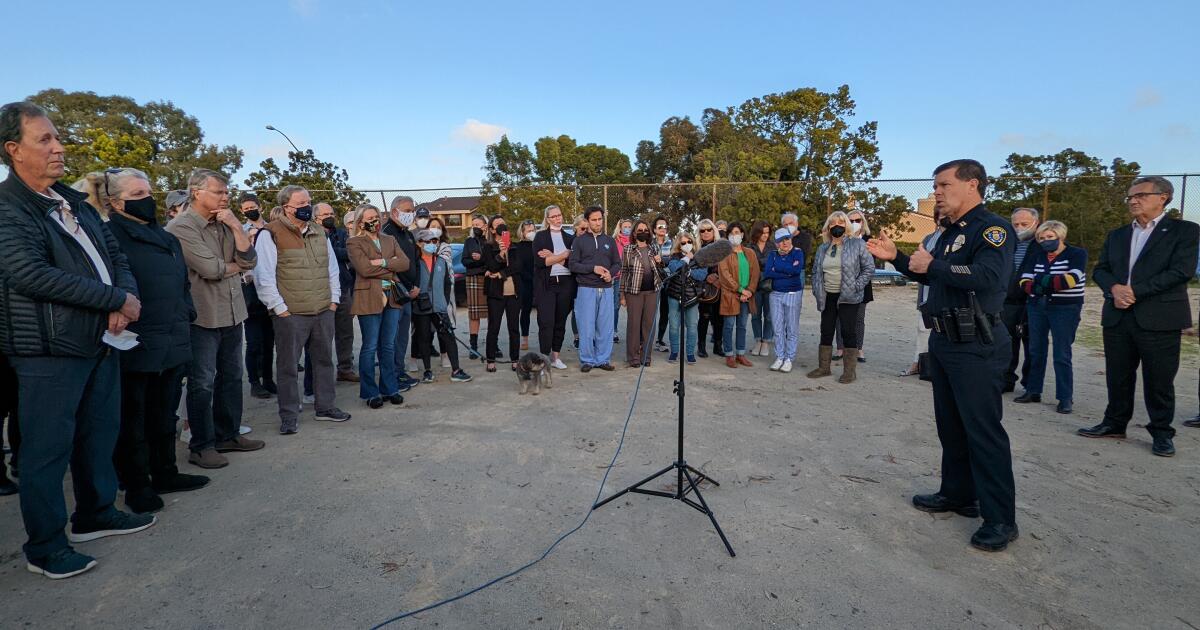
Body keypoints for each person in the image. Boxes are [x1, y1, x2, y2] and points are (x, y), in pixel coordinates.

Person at [0, 101, 154, 578]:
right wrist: (111, 298)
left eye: (56, 137)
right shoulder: (8, 207)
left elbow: (114, 255)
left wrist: (123, 294)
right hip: (47, 351)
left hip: (99, 342)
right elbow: (29, 273)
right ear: (13, 150)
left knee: (98, 433)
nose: (58, 147)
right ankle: (45, 546)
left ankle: (95, 513)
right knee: (46, 451)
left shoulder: (76, 204)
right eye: (43, 140)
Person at [866, 158, 1018, 552]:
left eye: (944, 185)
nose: (937, 191)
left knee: (983, 432)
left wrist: (935, 264)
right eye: (935, 186)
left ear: (973, 185)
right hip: (945, 340)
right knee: (950, 426)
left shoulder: (994, 229)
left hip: (977, 343)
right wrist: (896, 258)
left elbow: (988, 277)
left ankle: (1000, 518)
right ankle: (958, 494)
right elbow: (929, 272)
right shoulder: (950, 231)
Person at [97, 168, 211, 514]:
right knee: (135, 418)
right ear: (115, 203)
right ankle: (137, 485)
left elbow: (182, 283)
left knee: (164, 414)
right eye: (136, 195)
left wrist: (187, 312)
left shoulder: (166, 238)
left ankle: (165, 472)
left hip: (174, 335)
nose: (147, 200)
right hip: (136, 339)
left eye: (148, 193)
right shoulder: (109, 236)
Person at [1079, 176, 1199, 457]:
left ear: (1163, 197)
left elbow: (1182, 271)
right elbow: (1101, 269)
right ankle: (1114, 423)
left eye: (1141, 195)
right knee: (1118, 375)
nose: (1133, 200)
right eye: (1130, 196)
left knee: (1159, 379)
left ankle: (1161, 432)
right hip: (1118, 316)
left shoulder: (1185, 231)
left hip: (1159, 317)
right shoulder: (1118, 234)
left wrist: (1134, 291)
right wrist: (1114, 289)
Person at [167, 168, 265, 469]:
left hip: (233, 312)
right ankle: (201, 445)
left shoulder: (224, 223)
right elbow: (211, 270)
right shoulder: (181, 227)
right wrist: (233, 265)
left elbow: (250, 260)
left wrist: (236, 226)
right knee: (202, 383)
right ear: (197, 192)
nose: (226, 197)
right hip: (203, 316)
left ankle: (228, 434)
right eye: (219, 192)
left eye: (226, 192)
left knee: (232, 377)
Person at [254, 185, 352, 434]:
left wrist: (333, 301)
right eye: (301, 204)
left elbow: (331, 269)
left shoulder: (319, 232)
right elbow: (263, 275)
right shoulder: (270, 233)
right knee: (287, 366)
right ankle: (288, 415)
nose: (306, 207)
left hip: (322, 309)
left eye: (308, 202)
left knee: (323, 361)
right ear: (286, 207)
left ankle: (325, 407)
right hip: (291, 313)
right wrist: (279, 308)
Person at [1014, 221, 1086, 414]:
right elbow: (1024, 282)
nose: (1046, 241)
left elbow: (1070, 280)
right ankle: (1033, 390)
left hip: (1065, 308)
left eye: (1050, 237)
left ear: (1060, 236)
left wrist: (1039, 281)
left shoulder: (1076, 254)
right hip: (1036, 306)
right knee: (1036, 350)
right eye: (1042, 238)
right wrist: (1046, 283)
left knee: (1062, 353)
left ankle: (1065, 397)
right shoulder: (1037, 255)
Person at [347, 204, 408, 408]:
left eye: (377, 216)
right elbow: (363, 269)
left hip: (392, 297)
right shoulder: (354, 242)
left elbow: (405, 263)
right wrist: (390, 264)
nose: (375, 220)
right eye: (370, 217)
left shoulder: (389, 239)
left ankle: (390, 388)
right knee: (370, 346)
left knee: (388, 345)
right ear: (360, 221)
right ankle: (370, 392)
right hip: (368, 298)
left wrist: (380, 262)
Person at [805, 211, 873, 383]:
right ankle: (824, 368)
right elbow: (815, 272)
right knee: (826, 330)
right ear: (828, 227)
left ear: (846, 226)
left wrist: (856, 286)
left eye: (841, 223)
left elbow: (869, 269)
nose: (837, 226)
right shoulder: (822, 248)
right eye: (833, 223)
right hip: (828, 295)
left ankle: (849, 372)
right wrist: (817, 289)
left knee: (848, 331)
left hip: (849, 297)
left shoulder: (857, 245)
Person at [412, 229, 472, 383]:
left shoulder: (441, 261)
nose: (432, 244)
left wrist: (444, 302)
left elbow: (447, 284)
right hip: (421, 307)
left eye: (434, 241)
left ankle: (456, 369)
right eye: (428, 241)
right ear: (419, 243)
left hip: (439, 307)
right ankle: (427, 370)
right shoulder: (414, 263)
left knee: (448, 337)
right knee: (424, 338)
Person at [569, 206, 621, 372]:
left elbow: (617, 263)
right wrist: (593, 268)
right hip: (586, 289)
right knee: (586, 327)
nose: (598, 223)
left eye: (600, 219)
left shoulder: (609, 241)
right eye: (594, 220)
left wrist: (610, 275)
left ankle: (603, 359)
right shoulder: (579, 241)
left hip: (606, 289)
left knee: (605, 328)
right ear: (587, 221)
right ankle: (587, 360)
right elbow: (573, 265)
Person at [381, 196, 421, 391]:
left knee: (403, 335)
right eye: (408, 210)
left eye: (412, 210)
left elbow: (415, 260)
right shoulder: (386, 233)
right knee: (392, 337)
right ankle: (392, 375)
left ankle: (399, 370)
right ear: (395, 211)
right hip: (396, 292)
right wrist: (405, 287)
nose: (411, 213)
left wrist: (417, 285)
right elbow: (391, 264)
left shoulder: (408, 234)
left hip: (410, 292)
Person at [315, 202, 358, 383]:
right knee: (322, 336)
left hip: (343, 288)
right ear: (316, 217)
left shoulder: (341, 233)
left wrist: (334, 250)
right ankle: (322, 374)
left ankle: (345, 368)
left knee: (345, 332)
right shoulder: (312, 234)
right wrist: (337, 251)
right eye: (325, 214)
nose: (329, 216)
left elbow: (349, 253)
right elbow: (323, 255)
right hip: (321, 291)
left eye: (331, 213)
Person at [902, 208, 946, 376]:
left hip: (943, 290)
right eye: (940, 216)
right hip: (926, 290)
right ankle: (917, 363)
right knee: (922, 328)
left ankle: (937, 367)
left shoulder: (957, 238)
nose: (942, 219)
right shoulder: (929, 238)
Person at [1001, 208, 1040, 393]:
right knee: (1007, 344)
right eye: (1015, 224)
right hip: (1008, 302)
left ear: (1036, 223)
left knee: (1032, 345)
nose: (1019, 228)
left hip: (1032, 302)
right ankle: (1006, 380)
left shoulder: (1042, 245)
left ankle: (1030, 385)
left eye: (1024, 224)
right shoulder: (1007, 243)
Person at [533, 205, 574, 370]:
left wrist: (553, 256)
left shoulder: (570, 238)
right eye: (554, 216)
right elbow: (541, 262)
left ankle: (556, 357)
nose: (558, 218)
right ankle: (543, 360)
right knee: (546, 322)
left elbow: (572, 264)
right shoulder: (540, 237)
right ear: (548, 219)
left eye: (559, 215)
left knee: (560, 322)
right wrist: (564, 255)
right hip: (547, 284)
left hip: (565, 284)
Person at [619, 218, 664, 368]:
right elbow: (624, 272)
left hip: (652, 292)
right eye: (640, 230)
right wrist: (622, 295)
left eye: (645, 230)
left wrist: (660, 262)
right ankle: (633, 358)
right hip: (634, 293)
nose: (643, 232)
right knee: (634, 325)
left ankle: (646, 356)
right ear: (634, 233)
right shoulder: (628, 249)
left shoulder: (654, 248)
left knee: (649, 325)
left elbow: (661, 270)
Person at [718, 222, 760, 368]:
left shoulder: (750, 253)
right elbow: (724, 275)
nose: (734, 236)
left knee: (742, 325)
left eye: (737, 232)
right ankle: (729, 355)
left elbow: (755, 274)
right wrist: (740, 290)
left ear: (742, 234)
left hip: (747, 296)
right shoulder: (724, 253)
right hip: (730, 295)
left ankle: (740, 354)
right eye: (731, 233)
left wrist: (749, 291)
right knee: (729, 325)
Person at [762, 227, 805, 373]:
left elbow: (796, 271)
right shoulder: (773, 255)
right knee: (778, 328)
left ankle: (789, 358)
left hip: (793, 293)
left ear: (790, 238)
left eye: (786, 239)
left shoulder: (798, 252)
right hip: (775, 294)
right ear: (776, 243)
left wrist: (777, 270)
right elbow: (768, 271)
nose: (784, 242)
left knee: (791, 328)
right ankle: (780, 356)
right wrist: (786, 270)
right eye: (780, 241)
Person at [483, 215, 521, 373]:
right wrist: (500, 253)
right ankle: (490, 360)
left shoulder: (515, 246)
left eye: (503, 223)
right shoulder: (488, 247)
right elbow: (491, 266)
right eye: (497, 224)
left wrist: (501, 274)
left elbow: (518, 267)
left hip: (514, 293)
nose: (500, 226)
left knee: (514, 327)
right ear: (492, 229)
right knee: (494, 327)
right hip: (495, 294)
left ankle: (515, 359)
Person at [834, 209, 873, 363]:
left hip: (862, 285)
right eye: (851, 221)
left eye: (858, 220)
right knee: (840, 317)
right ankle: (840, 347)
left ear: (863, 222)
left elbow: (869, 265)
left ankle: (858, 349)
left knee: (858, 318)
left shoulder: (869, 240)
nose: (855, 223)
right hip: (842, 285)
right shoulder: (840, 239)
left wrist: (858, 283)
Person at [665, 231, 704, 364]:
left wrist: (689, 271)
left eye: (689, 242)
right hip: (674, 295)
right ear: (678, 244)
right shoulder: (674, 257)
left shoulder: (699, 257)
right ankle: (674, 352)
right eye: (683, 243)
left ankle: (690, 353)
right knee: (674, 326)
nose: (687, 244)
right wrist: (686, 259)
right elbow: (674, 268)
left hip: (692, 297)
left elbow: (702, 274)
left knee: (692, 326)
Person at [461, 214, 489, 358]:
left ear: (485, 226)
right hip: (473, 279)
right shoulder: (469, 242)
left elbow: (493, 260)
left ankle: (493, 345)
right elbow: (465, 261)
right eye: (473, 225)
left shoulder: (489, 241)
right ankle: (473, 347)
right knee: (474, 315)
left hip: (489, 278)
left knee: (493, 313)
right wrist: (479, 262)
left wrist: (481, 258)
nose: (475, 227)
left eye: (478, 224)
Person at [695, 218, 724, 357]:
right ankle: (701, 347)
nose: (706, 233)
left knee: (719, 317)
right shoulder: (696, 247)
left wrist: (718, 276)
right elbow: (694, 267)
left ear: (714, 230)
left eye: (709, 229)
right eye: (702, 230)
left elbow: (727, 264)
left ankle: (718, 345)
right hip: (704, 287)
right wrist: (706, 276)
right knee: (704, 316)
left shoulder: (721, 246)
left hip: (720, 285)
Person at [747, 220, 775, 357]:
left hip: (770, 285)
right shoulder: (750, 247)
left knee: (769, 316)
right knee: (755, 315)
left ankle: (766, 342)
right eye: (763, 233)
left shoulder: (773, 246)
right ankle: (758, 340)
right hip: (754, 285)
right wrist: (764, 263)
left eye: (767, 233)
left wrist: (758, 262)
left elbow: (773, 263)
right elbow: (749, 264)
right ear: (757, 232)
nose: (765, 235)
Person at [512, 219, 536, 351]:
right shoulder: (517, 247)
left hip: (538, 282)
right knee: (525, 311)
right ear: (522, 232)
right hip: (524, 283)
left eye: (533, 230)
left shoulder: (538, 245)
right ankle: (524, 339)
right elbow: (518, 267)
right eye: (529, 230)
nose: (531, 232)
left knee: (542, 313)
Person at [651, 215, 673, 352]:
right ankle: (647, 340)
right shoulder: (649, 243)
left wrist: (663, 262)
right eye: (660, 226)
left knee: (665, 312)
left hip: (667, 281)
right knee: (651, 312)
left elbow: (674, 260)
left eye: (665, 226)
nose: (662, 229)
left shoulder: (672, 243)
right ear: (654, 229)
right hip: (652, 281)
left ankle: (660, 340)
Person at [611, 217, 633, 343]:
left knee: (633, 306)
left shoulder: (635, 241)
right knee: (616, 305)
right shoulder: (615, 241)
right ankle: (613, 331)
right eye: (625, 226)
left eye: (630, 227)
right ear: (620, 227)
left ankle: (633, 332)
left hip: (633, 278)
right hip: (619, 277)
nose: (627, 229)